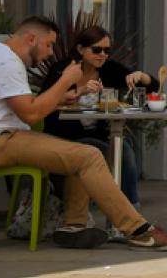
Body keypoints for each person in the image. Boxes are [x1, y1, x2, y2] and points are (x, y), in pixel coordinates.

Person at [0, 16, 167, 250]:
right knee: (89, 156)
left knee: (81, 153)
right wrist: (65, 81)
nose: (50, 53)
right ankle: (138, 230)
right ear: (31, 39)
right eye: (48, 45)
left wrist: (60, 99)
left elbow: (25, 105)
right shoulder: (6, 62)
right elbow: (32, 115)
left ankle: (73, 227)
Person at [39, 24, 153, 205]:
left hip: (98, 134)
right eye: (97, 49)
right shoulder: (63, 70)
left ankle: (130, 206)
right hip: (66, 136)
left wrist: (141, 76)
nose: (103, 55)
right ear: (80, 49)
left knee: (124, 146)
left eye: (107, 50)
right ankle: (125, 209)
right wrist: (80, 90)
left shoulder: (109, 69)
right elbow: (44, 101)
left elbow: (151, 87)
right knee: (117, 148)